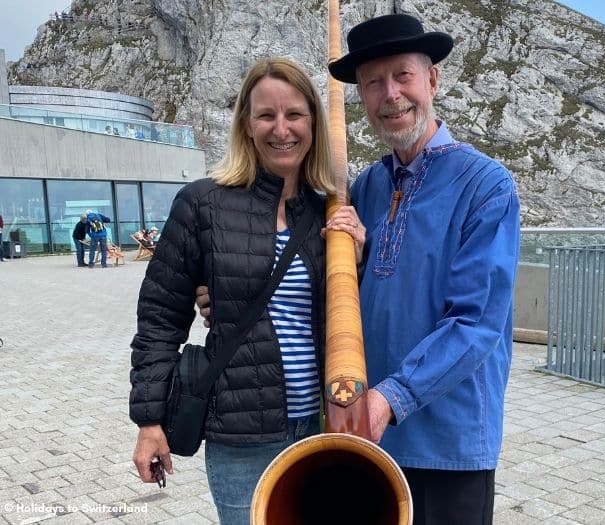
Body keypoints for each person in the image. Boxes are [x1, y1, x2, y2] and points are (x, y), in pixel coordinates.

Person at [327, 14, 520, 524]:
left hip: (448, 443)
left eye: (403, 76)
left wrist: (392, 396)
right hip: (373, 437)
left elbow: (477, 322)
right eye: (372, 82)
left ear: (432, 79)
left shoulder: (486, 184)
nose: (390, 94)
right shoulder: (366, 186)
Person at [129, 57, 339, 524]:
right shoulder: (203, 204)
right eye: (266, 115)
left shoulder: (332, 211)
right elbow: (160, 319)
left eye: (294, 115)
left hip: (325, 426)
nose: (280, 129)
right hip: (242, 437)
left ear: (313, 124)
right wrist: (148, 422)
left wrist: (359, 253)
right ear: (246, 123)